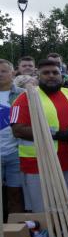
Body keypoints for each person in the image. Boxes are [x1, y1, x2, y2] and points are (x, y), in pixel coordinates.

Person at [10, 59, 68, 224]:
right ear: (38, 75)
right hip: (38, 164)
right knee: (44, 210)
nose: (51, 76)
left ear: (61, 75)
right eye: (46, 73)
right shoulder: (24, 98)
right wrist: (54, 134)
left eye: (55, 72)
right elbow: (17, 129)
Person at [0, 59, 25, 214]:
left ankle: (16, 231)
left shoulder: (22, 95)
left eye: (4, 71)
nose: (0, 74)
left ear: (13, 73)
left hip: (15, 151)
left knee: (15, 194)